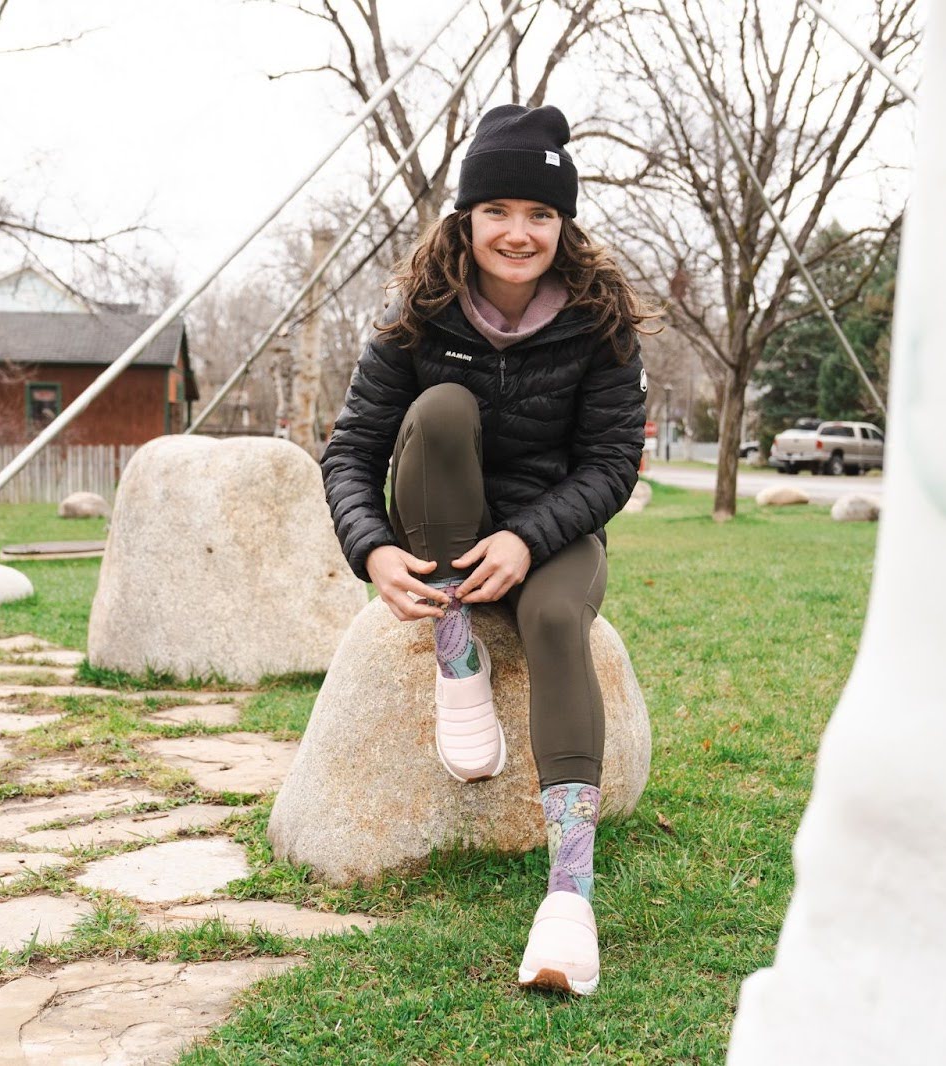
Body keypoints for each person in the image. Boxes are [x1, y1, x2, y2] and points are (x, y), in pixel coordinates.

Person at [320, 103, 653, 996]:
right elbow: (352, 449)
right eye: (498, 210)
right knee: (440, 411)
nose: (519, 231)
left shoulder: (600, 317)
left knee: (553, 618)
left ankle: (568, 897)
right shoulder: (414, 313)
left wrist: (530, 535)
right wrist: (373, 551)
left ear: (562, 223)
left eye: (540, 213)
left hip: (554, 532)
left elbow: (614, 463)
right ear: (465, 218)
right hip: (441, 530)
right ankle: (455, 657)